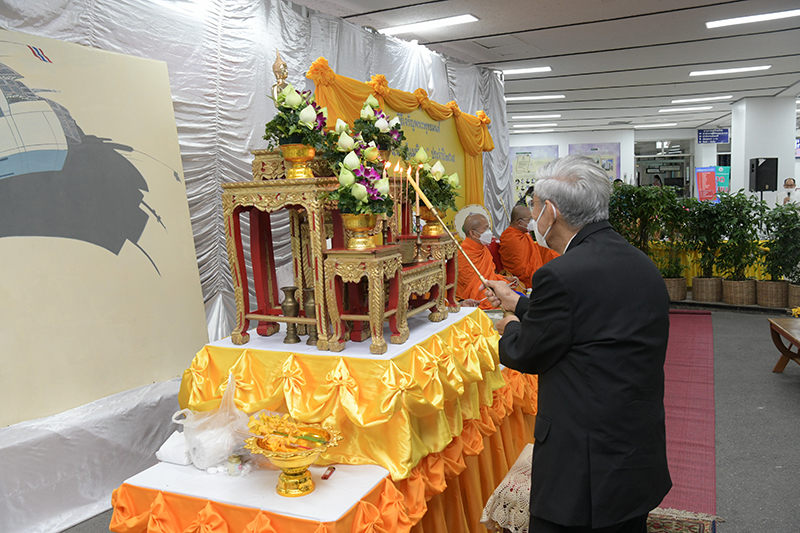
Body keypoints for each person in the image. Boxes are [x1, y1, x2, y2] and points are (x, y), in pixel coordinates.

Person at [482, 155, 672, 533]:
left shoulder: (561, 274)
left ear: (550, 211)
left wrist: (512, 327)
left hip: (584, 460)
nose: (532, 216)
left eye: (534, 206)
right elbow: (589, 317)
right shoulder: (638, 261)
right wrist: (519, 302)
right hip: (634, 444)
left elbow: (527, 352)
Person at [456, 213, 518, 309]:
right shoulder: (463, 254)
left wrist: (505, 279)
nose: (490, 232)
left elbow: (489, 276)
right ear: (473, 233)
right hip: (475, 299)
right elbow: (474, 287)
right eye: (485, 229)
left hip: (488, 290)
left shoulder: (483, 248)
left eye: (488, 228)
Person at [500, 205, 560, 290]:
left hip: (535, 271)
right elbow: (519, 270)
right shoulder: (510, 238)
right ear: (520, 222)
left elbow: (533, 252)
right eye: (529, 219)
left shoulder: (524, 235)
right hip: (525, 279)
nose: (532, 222)